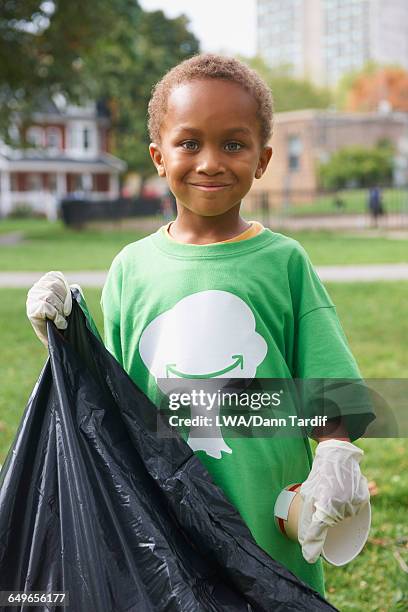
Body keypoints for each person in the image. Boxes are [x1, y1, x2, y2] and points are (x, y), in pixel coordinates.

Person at [26, 54, 373, 599]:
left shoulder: (284, 262)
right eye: (190, 143)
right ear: (158, 156)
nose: (210, 162)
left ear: (263, 159)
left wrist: (334, 451)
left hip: (269, 519)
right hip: (164, 525)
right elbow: (109, 405)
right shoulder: (130, 269)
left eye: (233, 145)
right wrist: (68, 346)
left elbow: (328, 384)